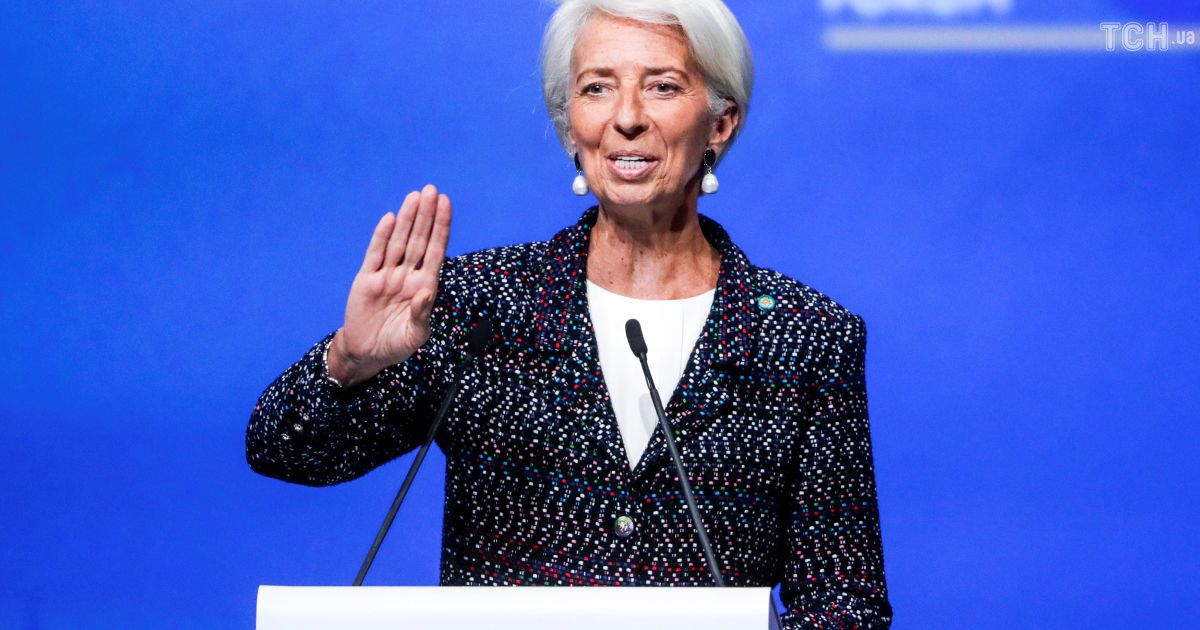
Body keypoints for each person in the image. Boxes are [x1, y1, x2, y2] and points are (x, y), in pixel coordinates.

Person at [246, 0, 892, 626]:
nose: (627, 118)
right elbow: (287, 453)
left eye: (662, 87)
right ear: (569, 125)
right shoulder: (482, 305)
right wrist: (349, 361)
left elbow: (846, 602)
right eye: (597, 88)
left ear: (720, 123)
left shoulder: (805, 337)